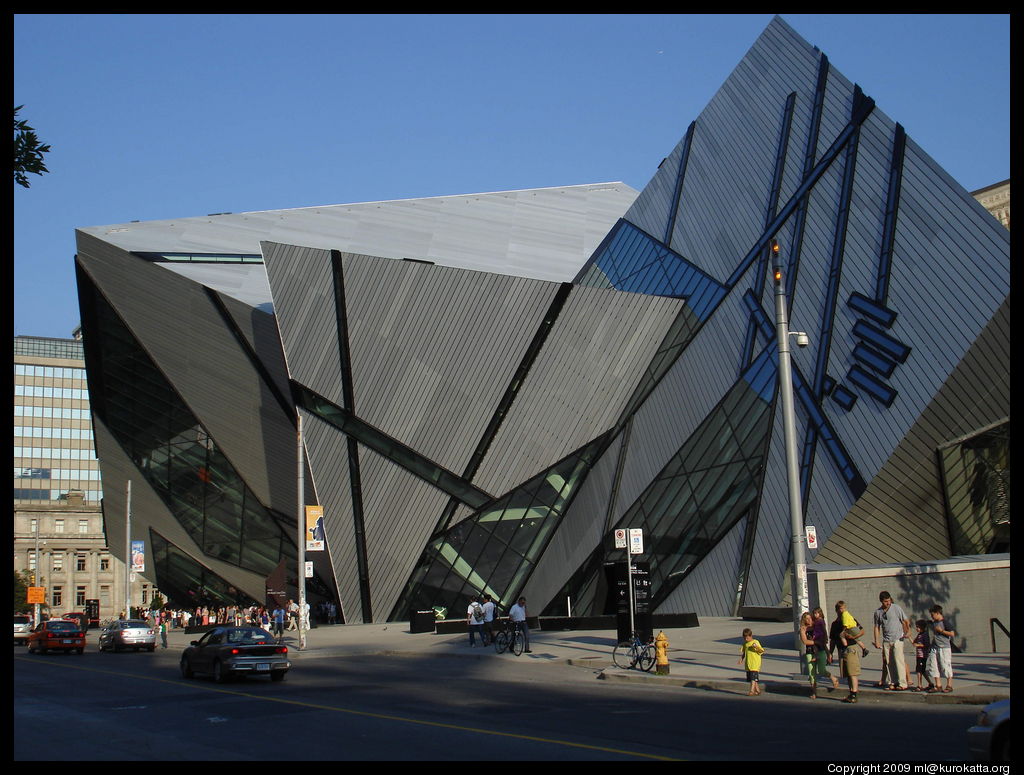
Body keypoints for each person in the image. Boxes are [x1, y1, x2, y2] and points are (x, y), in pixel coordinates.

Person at [872, 591, 910, 690]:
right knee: (889, 662)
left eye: (889, 600)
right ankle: (893, 682)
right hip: (886, 640)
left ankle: (902, 683)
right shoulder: (878, 612)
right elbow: (877, 627)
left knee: (899, 661)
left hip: (897, 638)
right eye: (885, 601)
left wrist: (907, 631)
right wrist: (877, 640)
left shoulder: (896, 608)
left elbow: (905, 620)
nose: (888, 603)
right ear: (881, 601)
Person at [830, 600, 864, 703]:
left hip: (851, 648)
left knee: (853, 672)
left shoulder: (850, 620)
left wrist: (853, 636)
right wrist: (830, 653)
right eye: (840, 609)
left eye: (843, 608)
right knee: (848, 673)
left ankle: (854, 694)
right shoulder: (835, 624)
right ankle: (851, 693)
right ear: (836, 610)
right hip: (841, 650)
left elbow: (862, 631)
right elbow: (833, 640)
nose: (842, 611)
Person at [802, 609, 840, 698]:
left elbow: (823, 640)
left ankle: (833, 678)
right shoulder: (803, 629)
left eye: (809, 618)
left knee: (822, 670)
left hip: (821, 650)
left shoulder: (816, 626)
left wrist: (828, 653)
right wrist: (817, 642)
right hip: (810, 652)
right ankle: (814, 692)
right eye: (806, 619)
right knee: (812, 674)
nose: (809, 620)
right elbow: (805, 641)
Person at [926, 604, 956, 693]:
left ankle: (949, 685)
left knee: (945, 665)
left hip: (944, 647)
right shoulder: (934, 622)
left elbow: (952, 634)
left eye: (933, 614)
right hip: (935, 647)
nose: (932, 616)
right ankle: (938, 685)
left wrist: (942, 631)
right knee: (933, 665)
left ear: (938, 613)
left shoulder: (944, 622)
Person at [737, 627, 765, 696]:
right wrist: (741, 659)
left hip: (755, 663)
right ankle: (758, 690)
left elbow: (761, 651)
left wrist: (756, 647)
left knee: (753, 678)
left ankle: (752, 691)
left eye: (747, 638)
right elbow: (744, 653)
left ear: (750, 636)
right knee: (752, 678)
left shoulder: (755, 642)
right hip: (748, 663)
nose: (746, 639)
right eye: (745, 638)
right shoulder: (745, 644)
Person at [912, 619, 934, 692]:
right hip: (919, 655)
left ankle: (919, 685)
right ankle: (930, 683)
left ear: (922, 627)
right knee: (922, 671)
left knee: (919, 670)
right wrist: (909, 637)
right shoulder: (919, 635)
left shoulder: (925, 635)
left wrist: (918, 645)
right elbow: (914, 642)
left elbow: (927, 645)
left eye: (918, 627)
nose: (916, 628)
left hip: (922, 655)